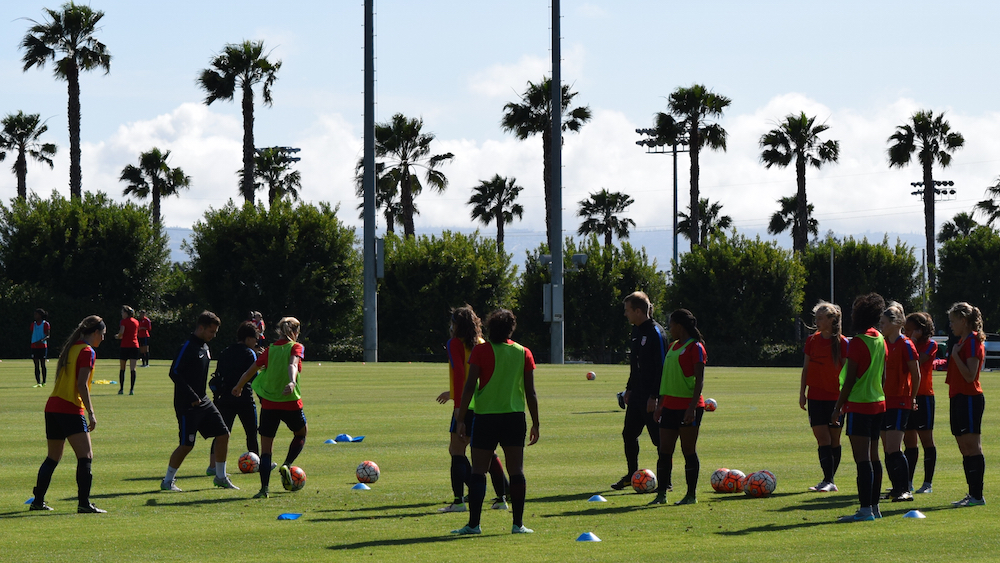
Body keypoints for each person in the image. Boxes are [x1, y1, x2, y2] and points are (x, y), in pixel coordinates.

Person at [451, 309, 539, 535]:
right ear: (512, 328)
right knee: (516, 471)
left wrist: (460, 420)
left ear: (490, 328)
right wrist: (536, 423)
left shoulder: (481, 351)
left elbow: (470, 386)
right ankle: (518, 524)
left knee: (478, 471)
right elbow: (531, 392)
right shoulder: (523, 352)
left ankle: (474, 525)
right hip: (514, 417)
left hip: (486, 418)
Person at [436, 305, 511, 513]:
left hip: (465, 404)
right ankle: (502, 498)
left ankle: (459, 501)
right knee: (488, 452)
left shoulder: (454, 344)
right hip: (483, 404)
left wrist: (458, 406)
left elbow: (460, 374)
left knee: (456, 450)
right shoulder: (481, 343)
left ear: (456, 325)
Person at [29, 315, 107, 513]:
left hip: (52, 406)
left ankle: (38, 501)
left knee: (52, 457)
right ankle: (83, 503)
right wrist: (91, 412)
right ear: (96, 333)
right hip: (70, 408)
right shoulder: (87, 351)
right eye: (103, 335)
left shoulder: (72, 347)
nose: (103, 339)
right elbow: (81, 384)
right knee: (86, 456)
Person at [160, 311, 238, 492]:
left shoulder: (205, 346)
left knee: (223, 434)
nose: (213, 335)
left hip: (204, 401)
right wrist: (192, 396)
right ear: (201, 328)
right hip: (187, 404)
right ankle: (167, 481)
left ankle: (220, 477)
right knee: (187, 444)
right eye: (211, 331)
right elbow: (175, 372)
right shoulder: (187, 347)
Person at [232, 317, 307, 499]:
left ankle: (263, 489)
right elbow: (293, 364)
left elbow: (250, 370)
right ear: (294, 332)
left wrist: (239, 386)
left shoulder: (270, 350)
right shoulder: (296, 347)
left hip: (269, 404)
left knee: (266, 450)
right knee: (301, 434)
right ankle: (287, 464)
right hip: (290, 402)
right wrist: (290, 381)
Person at [832, 293, 887, 522]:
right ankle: (874, 507)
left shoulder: (858, 342)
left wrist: (837, 407)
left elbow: (852, 378)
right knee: (874, 457)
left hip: (860, 406)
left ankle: (865, 510)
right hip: (878, 403)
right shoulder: (880, 339)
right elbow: (882, 376)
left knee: (862, 459)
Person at [649, 308, 706, 506]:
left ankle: (691, 495)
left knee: (688, 450)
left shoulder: (696, 347)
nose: (669, 328)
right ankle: (661, 494)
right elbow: (667, 379)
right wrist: (660, 404)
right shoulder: (673, 347)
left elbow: (699, 380)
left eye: (671, 324)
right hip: (670, 406)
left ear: (679, 326)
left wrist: (691, 408)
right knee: (665, 450)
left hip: (688, 407)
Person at [611, 291, 666, 491]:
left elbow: (661, 367)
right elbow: (635, 366)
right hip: (636, 395)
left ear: (638, 311)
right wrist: (629, 389)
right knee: (628, 434)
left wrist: (655, 396)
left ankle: (665, 480)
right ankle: (632, 475)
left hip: (651, 397)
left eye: (627, 310)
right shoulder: (636, 332)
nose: (625, 314)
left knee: (659, 441)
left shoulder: (656, 332)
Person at [799, 301, 848, 493]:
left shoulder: (843, 342)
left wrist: (845, 400)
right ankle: (828, 480)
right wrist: (802, 393)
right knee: (822, 439)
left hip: (836, 399)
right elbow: (806, 369)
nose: (817, 321)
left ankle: (829, 480)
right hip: (815, 397)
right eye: (816, 318)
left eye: (821, 318)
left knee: (834, 440)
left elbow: (847, 372)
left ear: (831, 319)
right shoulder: (812, 340)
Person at [945, 302, 986, 507]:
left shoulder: (971, 342)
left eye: (953, 321)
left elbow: (970, 376)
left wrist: (954, 355)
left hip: (969, 397)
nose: (951, 325)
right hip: (958, 397)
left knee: (972, 447)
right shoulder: (962, 341)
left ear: (963, 321)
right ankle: (972, 494)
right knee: (964, 447)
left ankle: (977, 495)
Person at [878, 301, 920, 502]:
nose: (881, 326)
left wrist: (912, 398)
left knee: (894, 448)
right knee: (888, 449)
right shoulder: (884, 344)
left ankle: (906, 489)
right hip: (884, 402)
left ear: (895, 324)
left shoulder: (905, 344)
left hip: (900, 401)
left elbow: (916, 375)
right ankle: (896, 488)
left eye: (884, 323)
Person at [207, 321, 260, 476]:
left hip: (225, 398)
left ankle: (212, 466)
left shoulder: (225, 351)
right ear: (248, 338)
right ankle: (256, 462)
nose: (256, 342)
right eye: (255, 339)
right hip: (244, 398)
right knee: (251, 432)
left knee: (221, 433)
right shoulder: (250, 353)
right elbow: (253, 377)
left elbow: (218, 374)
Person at [903, 312, 938, 494]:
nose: (906, 332)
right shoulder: (906, 344)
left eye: (909, 329)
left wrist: (912, 341)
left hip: (924, 396)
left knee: (926, 440)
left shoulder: (931, 344)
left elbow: (917, 360)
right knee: (909, 441)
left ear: (919, 330)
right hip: (908, 396)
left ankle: (927, 483)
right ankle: (907, 481)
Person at [115, 305, 140, 395]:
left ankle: (121, 389)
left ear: (126, 313)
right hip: (135, 346)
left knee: (122, 368)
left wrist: (117, 336)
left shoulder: (123, 322)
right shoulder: (136, 322)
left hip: (125, 346)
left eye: (122, 312)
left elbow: (121, 332)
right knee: (133, 369)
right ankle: (131, 389)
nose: (122, 314)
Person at [30, 308, 51, 387]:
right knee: (36, 365)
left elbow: (48, 335)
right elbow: (33, 333)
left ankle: (44, 381)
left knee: (43, 364)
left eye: (36, 314)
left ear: (40, 315)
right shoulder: (33, 324)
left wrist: (41, 341)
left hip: (42, 346)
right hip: (34, 346)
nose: (35, 316)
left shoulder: (46, 324)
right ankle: (38, 382)